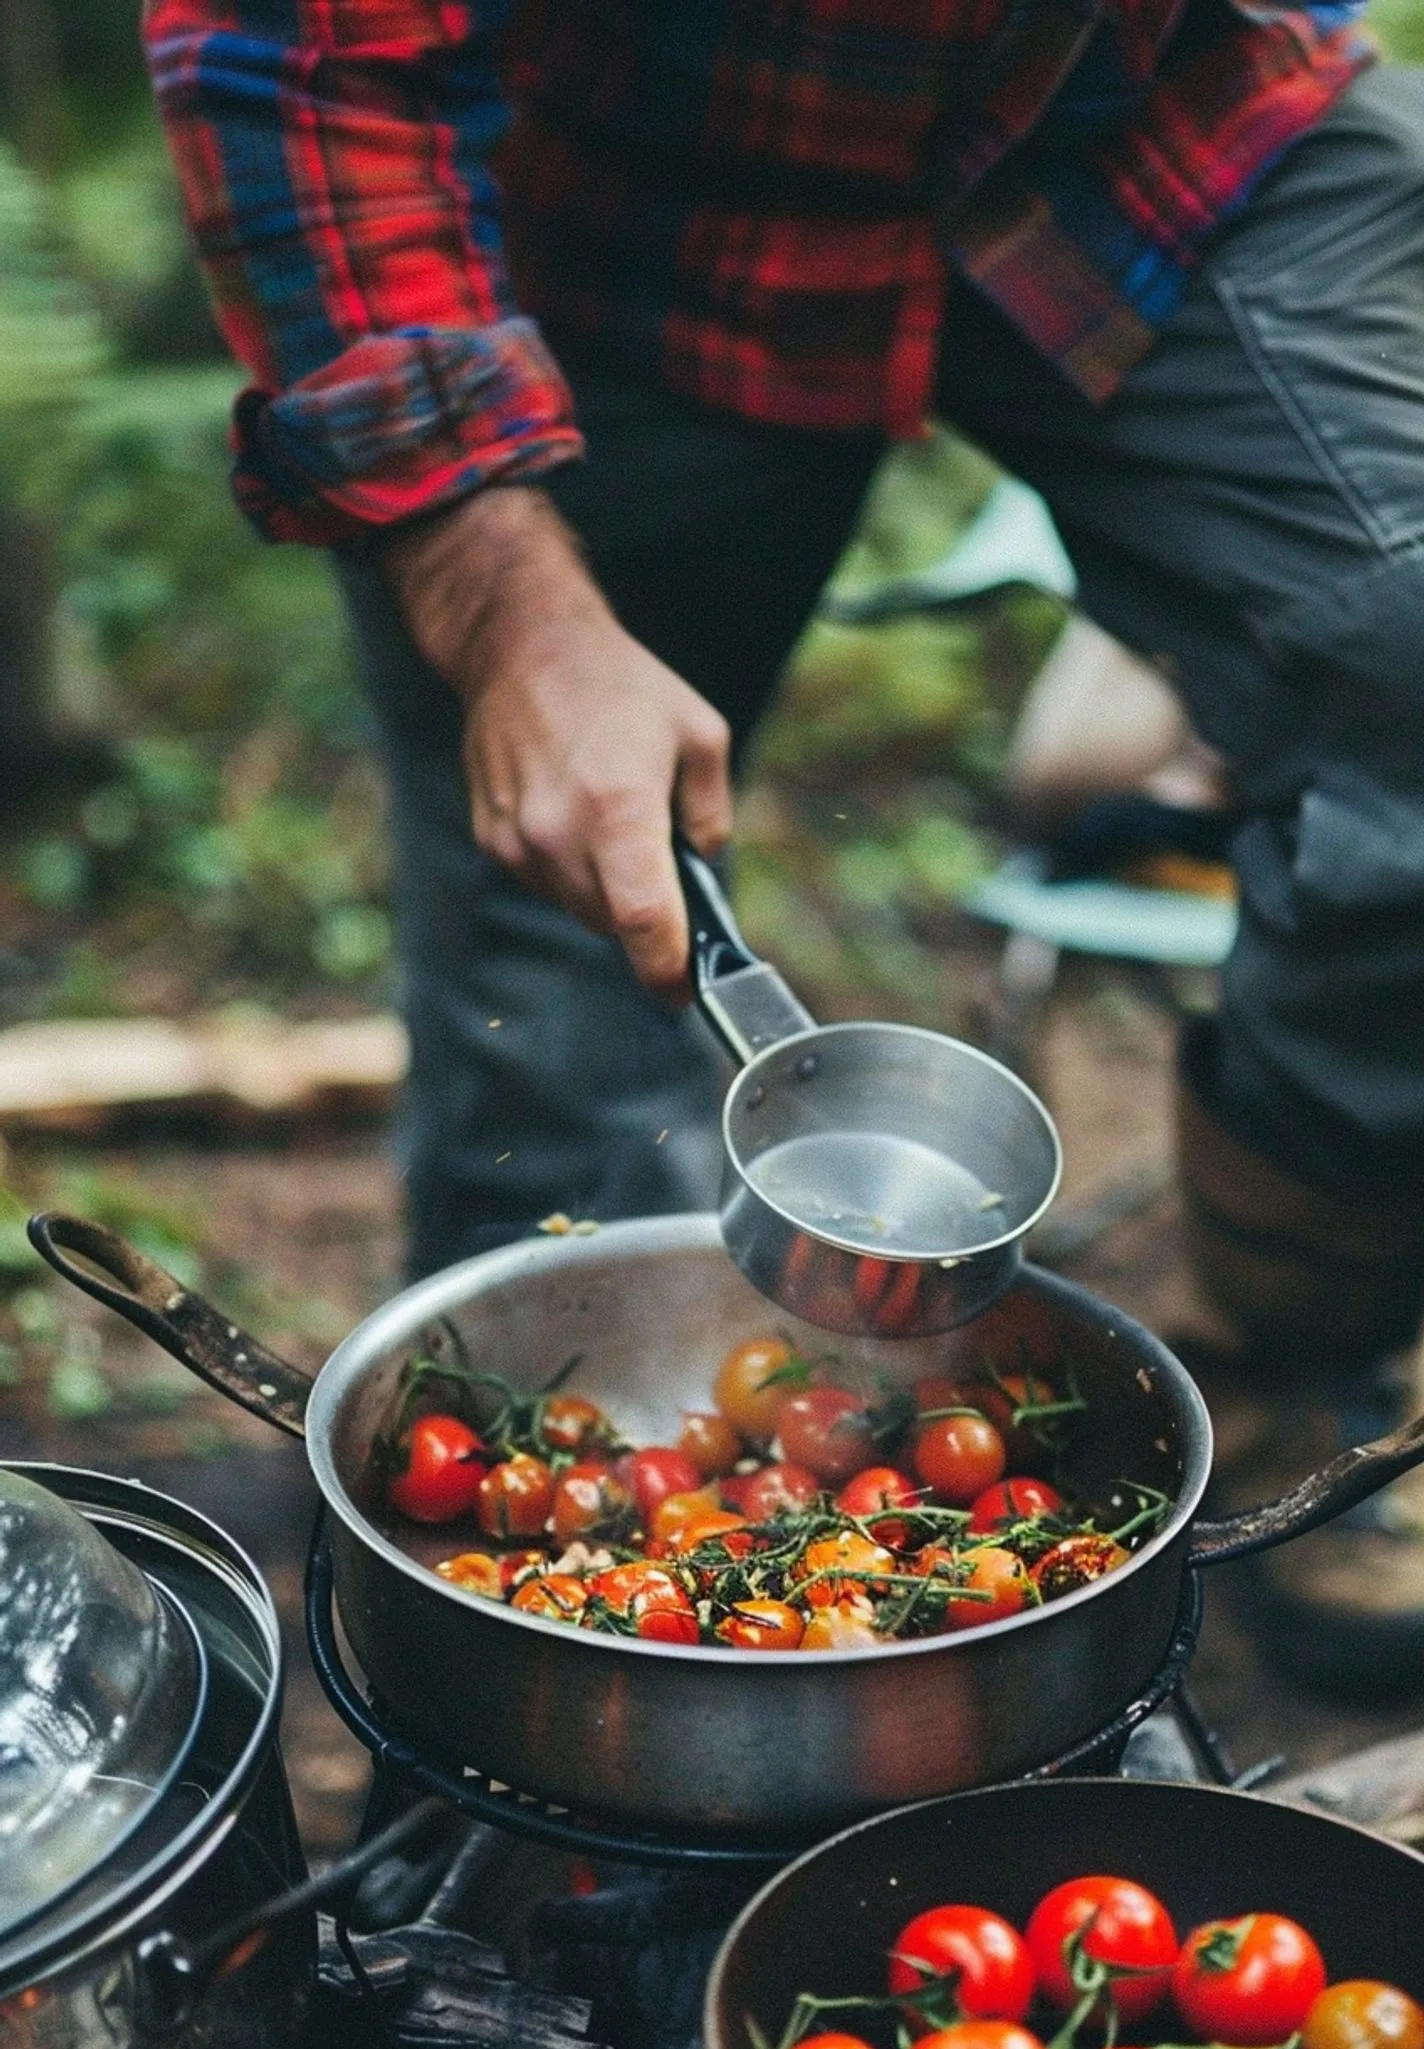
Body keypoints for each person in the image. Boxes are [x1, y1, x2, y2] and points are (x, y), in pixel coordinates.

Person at [143, 3, 1424, 1687]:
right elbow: (287, 47)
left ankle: (1289, 1368)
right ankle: (551, 1673)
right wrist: (501, 601)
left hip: (1147, 124)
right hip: (610, 200)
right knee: (573, 922)